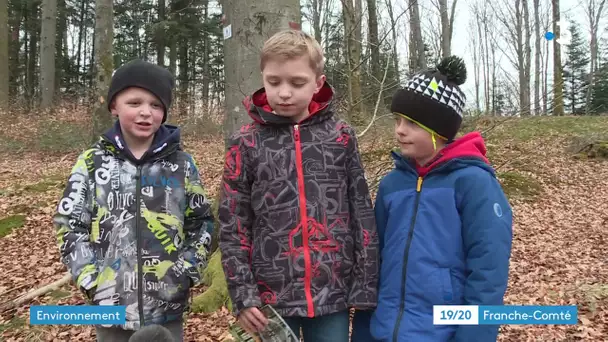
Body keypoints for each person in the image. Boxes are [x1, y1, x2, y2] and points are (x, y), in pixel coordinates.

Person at [218, 29, 379, 342]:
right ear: (263, 77)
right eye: (274, 82)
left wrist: (365, 283)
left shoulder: (340, 136)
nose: (284, 93)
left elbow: (361, 211)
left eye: (297, 82)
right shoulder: (246, 142)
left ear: (318, 83)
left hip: (332, 292)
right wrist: (243, 293)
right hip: (269, 300)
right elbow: (232, 222)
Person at [351, 55, 513, 342]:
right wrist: (364, 330)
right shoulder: (392, 184)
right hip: (384, 331)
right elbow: (373, 262)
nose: (399, 130)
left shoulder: (474, 183)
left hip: (442, 333)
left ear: (440, 129)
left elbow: (488, 272)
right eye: (398, 120)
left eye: (412, 123)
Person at [53, 59, 214, 342]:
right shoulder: (92, 163)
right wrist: (91, 279)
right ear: (114, 106)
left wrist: (186, 273)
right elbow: (69, 223)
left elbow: (201, 223)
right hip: (109, 306)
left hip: (167, 306)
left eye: (155, 105)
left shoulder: (182, 165)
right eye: (134, 102)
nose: (145, 112)